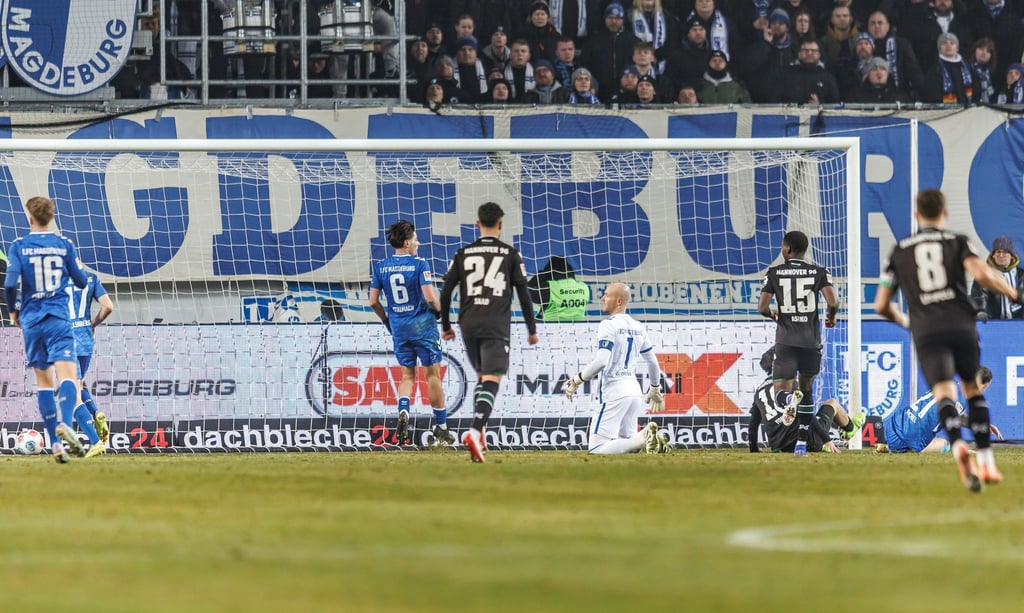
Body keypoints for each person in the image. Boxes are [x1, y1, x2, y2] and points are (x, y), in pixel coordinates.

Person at [875, 189, 1023, 491]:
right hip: (959, 324)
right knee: (971, 389)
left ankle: (957, 449)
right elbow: (983, 274)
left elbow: (881, 305)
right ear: (944, 214)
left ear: (917, 215)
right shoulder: (958, 242)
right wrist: (1014, 294)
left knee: (944, 394)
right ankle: (985, 459)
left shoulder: (900, 250)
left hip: (927, 330)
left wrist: (907, 321)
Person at [440, 203, 539, 462]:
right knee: (492, 379)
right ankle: (473, 430)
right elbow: (524, 294)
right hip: (495, 324)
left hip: (468, 323)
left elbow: (446, 290)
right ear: (501, 224)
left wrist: (446, 325)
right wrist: (531, 329)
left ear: (477, 224)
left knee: (483, 377)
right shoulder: (510, 254)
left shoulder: (463, 253)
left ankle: (480, 433)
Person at [3, 196, 92, 463]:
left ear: (30, 218)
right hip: (57, 318)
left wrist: (12, 311)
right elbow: (80, 280)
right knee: (68, 374)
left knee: (43, 382)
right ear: (51, 217)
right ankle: (66, 422)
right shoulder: (64, 244)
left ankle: (55, 444)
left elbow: (9, 284)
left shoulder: (19, 245)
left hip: (30, 320)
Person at [369, 220, 455, 447]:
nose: (419, 242)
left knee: (407, 375)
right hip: (422, 326)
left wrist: (387, 320)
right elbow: (429, 296)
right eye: (416, 239)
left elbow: (373, 301)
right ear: (407, 243)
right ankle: (442, 428)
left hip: (398, 328)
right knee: (433, 376)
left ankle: (404, 410)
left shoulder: (381, 267)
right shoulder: (420, 264)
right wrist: (440, 311)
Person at [757, 230, 839, 456]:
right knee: (807, 389)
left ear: (787, 249)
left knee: (780, 391)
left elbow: (762, 308)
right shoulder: (819, 272)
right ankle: (802, 442)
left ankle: (789, 398)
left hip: (785, 341)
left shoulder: (774, 273)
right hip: (810, 342)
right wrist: (831, 318)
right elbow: (833, 301)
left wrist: (772, 314)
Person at [564, 282, 667, 454]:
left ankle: (645, 436)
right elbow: (653, 362)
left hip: (614, 391)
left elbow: (601, 362)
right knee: (630, 445)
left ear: (619, 301)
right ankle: (654, 440)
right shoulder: (638, 326)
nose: (602, 298)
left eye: (606, 295)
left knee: (597, 448)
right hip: (634, 392)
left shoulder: (608, 324)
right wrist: (655, 388)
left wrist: (576, 380)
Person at [748, 347, 864, 453]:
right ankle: (850, 429)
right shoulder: (790, 382)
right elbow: (804, 412)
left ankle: (838, 434)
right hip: (804, 441)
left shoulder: (759, 391)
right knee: (832, 403)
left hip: (778, 446)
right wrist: (826, 440)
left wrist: (754, 448)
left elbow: (753, 423)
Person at [876, 367, 1003, 454]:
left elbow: (959, 417)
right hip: (913, 437)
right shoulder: (962, 400)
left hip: (893, 425)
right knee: (945, 445)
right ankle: (900, 448)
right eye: (984, 388)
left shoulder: (949, 383)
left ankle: (890, 448)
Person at [68, 261, 115, 457]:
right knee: (77, 385)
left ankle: (95, 441)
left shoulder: (55, 281)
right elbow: (108, 306)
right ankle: (96, 413)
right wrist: (93, 323)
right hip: (86, 340)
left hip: (65, 341)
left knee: (71, 394)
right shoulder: (91, 278)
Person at [971, 235, 1024, 321]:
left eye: (1005, 252)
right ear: (993, 255)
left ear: (1012, 256)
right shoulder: (985, 274)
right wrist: (981, 310)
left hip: (1019, 322)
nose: (1001, 255)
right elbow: (979, 295)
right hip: (993, 322)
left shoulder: (1021, 275)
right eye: (998, 252)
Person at [526, 256, 590, 321]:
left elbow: (526, 292)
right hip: (580, 327)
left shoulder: (549, 288)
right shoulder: (584, 287)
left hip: (552, 327)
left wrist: (541, 274)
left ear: (550, 271)